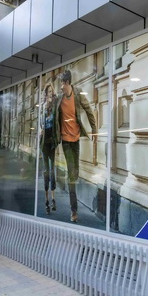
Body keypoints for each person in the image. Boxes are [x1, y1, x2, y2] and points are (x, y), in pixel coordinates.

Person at [54, 70, 97, 223]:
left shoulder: (78, 94)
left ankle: (72, 182)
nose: (60, 87)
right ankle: (74, 210)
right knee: (72, 172)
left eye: (61, 84)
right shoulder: (59, 99)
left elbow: (89, 111)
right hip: (65, 140)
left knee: (75, 172)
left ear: (67, 83)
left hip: (76, 139)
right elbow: (51, 115)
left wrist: (94, 130)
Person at [39, 83, 58, 215]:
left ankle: (53, 199)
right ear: (45, 94)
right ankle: (46, 200)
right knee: (46, 170)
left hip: (52, 142)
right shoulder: (42, 107)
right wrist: (40, 130)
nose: (50, 93)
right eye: (49, 91)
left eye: (51, 91)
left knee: (52, 170)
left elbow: (57, 122)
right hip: (44, 142)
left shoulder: (55, 106)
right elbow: (40, 124)